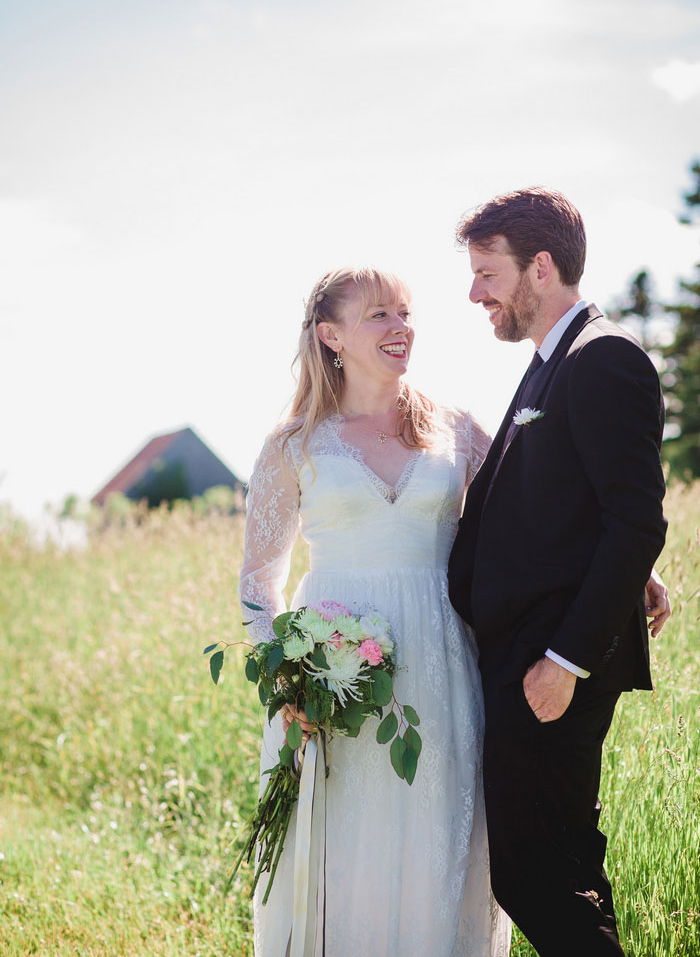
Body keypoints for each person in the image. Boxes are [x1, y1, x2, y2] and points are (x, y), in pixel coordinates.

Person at [239, 266, 512, 957]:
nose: (401, 328)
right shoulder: (293, 443)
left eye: (405, 313)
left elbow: (538, 508)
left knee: (434, 837)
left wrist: (641, 569)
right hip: (332, 683)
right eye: (380, 316)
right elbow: (258, 582)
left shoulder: (455, 425)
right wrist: (287, 678)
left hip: (443, 663)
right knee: (344, 844)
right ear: (330, 336)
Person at [447, 187, 670, 956]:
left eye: (487, 273)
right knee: (557, 867)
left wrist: (567, 660)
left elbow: (638, 517)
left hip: (550, 667)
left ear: (540, 267)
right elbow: (587, 509)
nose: (475, 292)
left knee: (534, 874)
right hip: (529, 656)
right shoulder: (554, 360)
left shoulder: (601, 356)